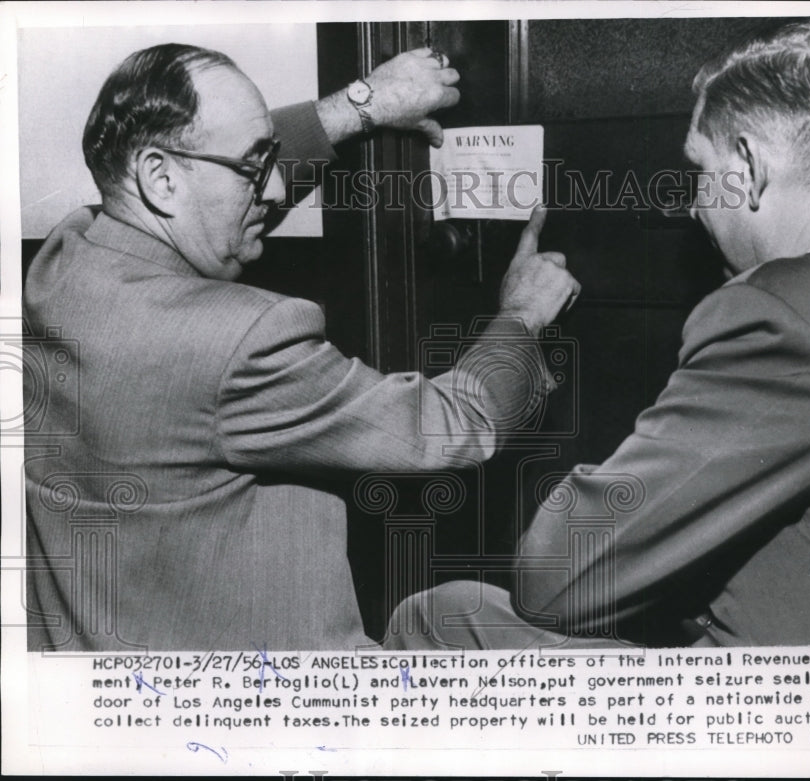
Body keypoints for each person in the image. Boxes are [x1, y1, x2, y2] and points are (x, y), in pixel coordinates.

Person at [386, 22, 810, 650]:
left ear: (749, 166)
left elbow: (553, 580)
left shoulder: (778, 314)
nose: (692, 205)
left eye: (700, 169)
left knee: (441, 616)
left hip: (787, 709)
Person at [23, 43, 580, 652]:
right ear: (160, 177)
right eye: (251, 168)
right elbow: (451, 427)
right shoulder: (242, 340)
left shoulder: (64, 260)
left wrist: (364, 105)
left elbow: (212, 196)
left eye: (268, 158)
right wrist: (521, 317)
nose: (268, 191)